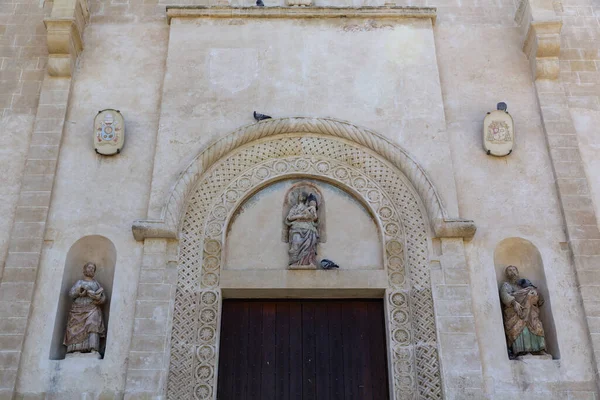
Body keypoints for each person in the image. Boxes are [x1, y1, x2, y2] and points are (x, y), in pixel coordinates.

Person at [500, 265, 546, 358]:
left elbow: (538, 298)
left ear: (517, 272)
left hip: (530, 314)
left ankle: (540, 349)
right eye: (509, 270)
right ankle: (522, 351)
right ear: (507, 274)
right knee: (521, 330)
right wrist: (514, 303)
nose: (512, 271)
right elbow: (504, 296)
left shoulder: (525, 284)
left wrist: (532, 292)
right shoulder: (506, 285)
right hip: (516, 313)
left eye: (514, 269)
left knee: (537, 326)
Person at [64, 262, 106, 354]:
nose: (91, 269)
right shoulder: (79, 282)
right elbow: (71, 293)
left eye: (93, 268)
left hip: (92, 308)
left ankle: (93, 349)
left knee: (93, 325)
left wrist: (98, 298)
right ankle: (75, 349)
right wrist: (80, 291)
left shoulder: (96, 284)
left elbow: (103, 298)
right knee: (76, 327)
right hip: (78, 309)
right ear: (84, 270)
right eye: (89, 267)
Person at [286, 192, 319, 267]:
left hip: (309, 228)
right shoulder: (295, 208)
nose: (302, 197)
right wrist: (301, 216)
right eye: (300, 196)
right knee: (296, 243)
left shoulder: (309, 207)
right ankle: (295, 262)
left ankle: (308, 262)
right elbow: (289, 217)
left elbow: (314, 218)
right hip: (297, 228)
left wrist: (312, 209)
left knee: (309, 245)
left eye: (304, 196)